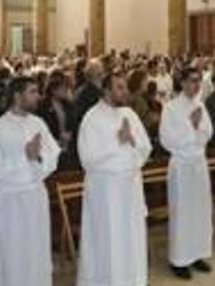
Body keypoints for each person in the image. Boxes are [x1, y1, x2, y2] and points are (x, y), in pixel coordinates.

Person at [0, 76, 61, 286]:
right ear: (17, 95)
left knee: (37, 252)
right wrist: (23, 158)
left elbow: (53, 156)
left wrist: (38, 158)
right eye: (33, 91)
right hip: (10, 203)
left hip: (35, 196)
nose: (38, 96)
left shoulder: (38, 123)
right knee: (12, 254)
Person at [77, 73, 153, 286]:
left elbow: (146, 148)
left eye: (125, 87)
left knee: (131, 238)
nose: (125, 92)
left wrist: (131, 140)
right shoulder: (91, 118)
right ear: (106, 91)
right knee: (108, 240)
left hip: (130, 188)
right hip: (106, 192)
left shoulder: (129, 113)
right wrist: (117, 143)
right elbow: (88, 159)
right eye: (120, 88)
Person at [160, 67, 214, 279]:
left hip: (199, 164)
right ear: (182, 82)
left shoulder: (200, 104)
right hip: (181, 166)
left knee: (200, 210)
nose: (196, 85)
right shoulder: (171, 108)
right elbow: (167, 139)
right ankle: (179, 259)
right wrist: (191, 127)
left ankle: (197, 253)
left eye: (199, 81)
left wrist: (197, 131)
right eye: (192, 80)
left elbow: (208, 132)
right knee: (182, 213)